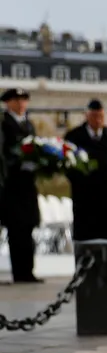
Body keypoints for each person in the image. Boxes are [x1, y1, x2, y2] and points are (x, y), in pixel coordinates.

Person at [64, 100, 107, 243]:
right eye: (94, 116)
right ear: (87, 116)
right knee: (86, 242)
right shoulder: (73, 137)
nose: (98, 120)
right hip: (85, 200)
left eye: (101, 117)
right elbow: (68, 167)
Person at [0, 88, 42, 282]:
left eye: (24, 100)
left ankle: (28, 270)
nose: (21, 104)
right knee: (16, 230)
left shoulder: (28, 124)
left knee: (27, 227)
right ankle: (19, 271)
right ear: (8, 103)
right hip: (11, 185)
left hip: (27, 184)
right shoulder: (3, 123)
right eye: (16, 100)